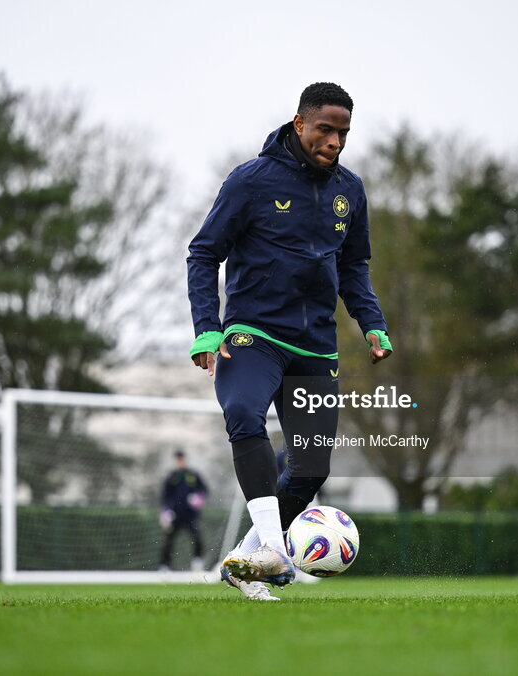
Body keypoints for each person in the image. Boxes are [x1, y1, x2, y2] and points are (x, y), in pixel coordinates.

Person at [186, 82, 392, 600]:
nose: (335, 141)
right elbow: (203, 253)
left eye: (343, 132)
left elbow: (353, 266)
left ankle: (247, 559)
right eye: (325, 129)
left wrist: (372, 322)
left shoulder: (351, 191)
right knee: (244, 416)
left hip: (316, 349)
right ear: (299, 124)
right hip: (252, 335)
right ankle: (275, 554)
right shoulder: (250, 181)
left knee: (309, 468)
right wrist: (207, 328)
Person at [159, 450, 209, 572]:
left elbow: (204, 490)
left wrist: (198, 498)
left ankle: (197, 561)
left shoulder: (193, 475)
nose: (180, 461)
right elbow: (165, 495)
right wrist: (165, 511)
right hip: (175, 515)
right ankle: (165, 566)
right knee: (168, 540)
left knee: (197, 537)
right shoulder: (172, 476)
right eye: (178, 459)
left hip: (190, 515)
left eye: (182, 459)